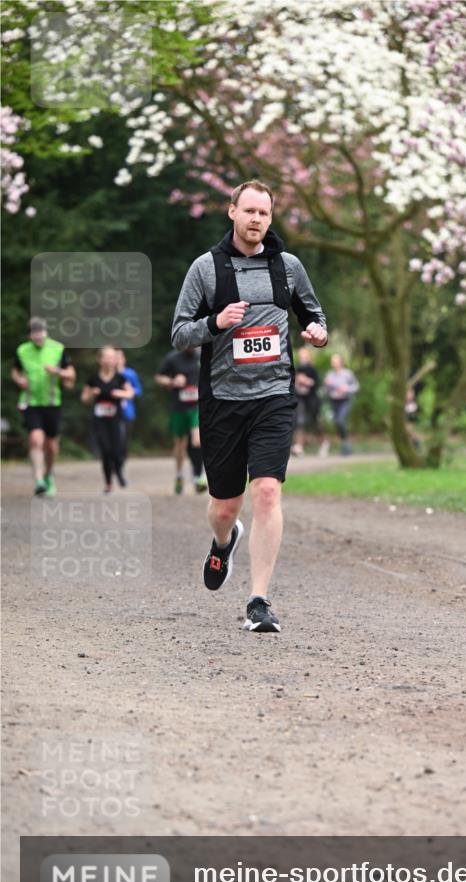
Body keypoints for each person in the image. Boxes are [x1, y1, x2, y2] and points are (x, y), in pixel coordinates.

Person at [171, 179, 327, 633]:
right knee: (225, 505)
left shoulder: (288, 267)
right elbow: (179, 332)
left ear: (271, 218)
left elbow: (313, 314)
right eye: (250, 211)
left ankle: (258, 601)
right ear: (232, 212)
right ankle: (223, 542)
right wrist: (216, 323)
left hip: (274, 396)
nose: (257, 219)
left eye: (265, 213)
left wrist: (317, 331)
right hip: (223, 400)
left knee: (266, 492)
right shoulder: (207, 268)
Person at [11, 316, 76, 496]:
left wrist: (57, 371)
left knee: (51, 445)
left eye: (40, 332)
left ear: (46, 333)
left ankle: (49, 474)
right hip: (31, 402)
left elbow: (71, 374)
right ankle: (39, 480)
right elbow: (15, 372)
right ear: (29, 335)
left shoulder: (57, 348)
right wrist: (19, 380)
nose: (38, 336)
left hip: (52, 402)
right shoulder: (22, 350)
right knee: (35, 439)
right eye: (34, 333)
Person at [81, 346, 134, 492]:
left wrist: (120, 393)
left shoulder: (120, 378)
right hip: (99, 420)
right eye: (107, 357)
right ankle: (108, 483)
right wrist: (92, 393)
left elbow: (130, 393)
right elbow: (84, 398)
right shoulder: (93, 379)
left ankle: (119, 471)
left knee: (117, 450)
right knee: (105, 451)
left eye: (112, 357)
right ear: (100, 360)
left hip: (116, 419)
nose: (110, 360)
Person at [155, 346, 207, 494]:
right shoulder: (173, 357)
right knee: (180, 444)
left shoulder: (202, 355)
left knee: (197, 440)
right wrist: (172, 381)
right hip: (179, 407)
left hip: (197, 406)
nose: (193, 346)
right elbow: (159, 377)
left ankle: (198, 477)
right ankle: (179, 475)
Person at [292, 346, 326, 457]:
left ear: (309, 357)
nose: (302, 358)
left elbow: (316, 384)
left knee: (314, 422)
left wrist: (306, 381)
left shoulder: (312, 369)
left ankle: (323, 443)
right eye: (301, 356)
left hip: (312, 399)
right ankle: (299, 446)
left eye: (304, 356)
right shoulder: (296, 368)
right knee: (299, 421)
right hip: (300, 398)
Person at [324, 354, 359, 456]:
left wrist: (347, 388)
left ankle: (346, 444)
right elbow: (326, 390)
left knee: (340, 420)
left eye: (335, 361)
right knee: (337, 423)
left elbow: (356, 386)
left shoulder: (347, 374)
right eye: (332, 361)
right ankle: (345, 444)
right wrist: (327, 385)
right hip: (334, 401)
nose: (333, 363)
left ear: (341, 362)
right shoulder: (329, 374)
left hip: (345, 400)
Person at [115, 348, 143, 475]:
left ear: (123, 359)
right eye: (114, 357)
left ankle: (121, 465)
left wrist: (129, 392)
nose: (117, 360)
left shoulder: (130, 374)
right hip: (111, 412)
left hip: (127, 412)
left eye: (119, 357)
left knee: (123, 440)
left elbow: (138, 391)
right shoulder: (109, 375)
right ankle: (114, 463)